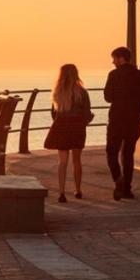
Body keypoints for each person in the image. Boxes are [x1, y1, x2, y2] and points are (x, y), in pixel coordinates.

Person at [103, 46, 140, 200]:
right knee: (128, 155)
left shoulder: (114, 75)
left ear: (121, 58)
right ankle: (127, 189)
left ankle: (118, 180)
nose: (113, 62)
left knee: (111, 152)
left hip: (117, 120)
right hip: (134, 121)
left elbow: (108, 97)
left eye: (114, 58)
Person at [43, 64, 92, 204]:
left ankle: (62, 192)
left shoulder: (57, 92)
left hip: (61, 126)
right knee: (77, 160)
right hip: (77, 127)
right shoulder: (82, 92)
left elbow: (53, 113)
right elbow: (87, 112)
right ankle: (77, 189)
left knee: (62, 161)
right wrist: (83, 122)